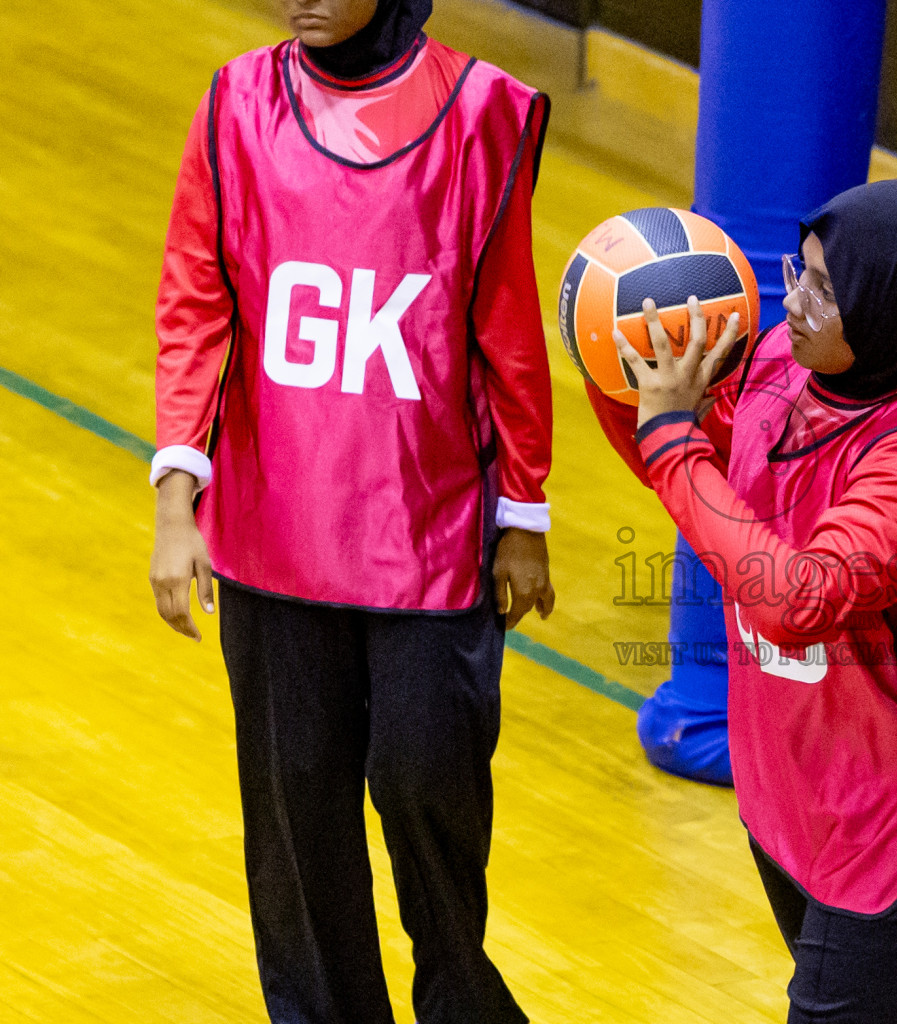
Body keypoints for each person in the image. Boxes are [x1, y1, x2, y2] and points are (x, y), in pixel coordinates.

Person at [147, 2, 554, 1021]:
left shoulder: (481, 113)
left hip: (431, 537)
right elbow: (195, 300)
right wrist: (174, 499)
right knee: (295, 821)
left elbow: (506, 323)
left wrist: (525, 512)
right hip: (273, 537)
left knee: (427, 785)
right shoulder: (236, 102)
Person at [596, 178, 897, 1023]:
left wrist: (669, 438)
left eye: (826, 289)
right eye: (797, 272)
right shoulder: (786, 369)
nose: (795, 303)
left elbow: (789, 598)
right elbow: (715, 503)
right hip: (812, 785)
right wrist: (625, 380)